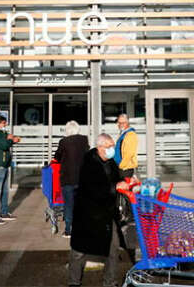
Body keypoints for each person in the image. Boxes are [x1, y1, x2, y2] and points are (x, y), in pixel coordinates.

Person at [69, 133, 124, 287]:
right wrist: (114, 187)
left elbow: (117, 178)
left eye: (113, 146)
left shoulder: (110, 162)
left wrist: (126, 181)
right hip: (87, 213)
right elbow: (93, 188)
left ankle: (110, 282)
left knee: (113, 247)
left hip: (106, 213)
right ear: (100, 147)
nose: (112, 149)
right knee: (79, 251)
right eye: (109, 146)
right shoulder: (88, 163)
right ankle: (74, 282)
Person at [54, 120, 89, 238]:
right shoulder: (84, 140)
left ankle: (68, 230)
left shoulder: (63, 141)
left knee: (69, 205)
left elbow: (57, 157)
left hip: (67, 178)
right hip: (82, 178)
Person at [114, 113, 138, 178]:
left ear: (128, 123)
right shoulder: (123, 133)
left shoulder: (130, 135)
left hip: (125, 169)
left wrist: (121, 166)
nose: (120, 125)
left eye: (123, 123)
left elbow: (129, 153)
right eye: (119, 123)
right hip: (120, 167)